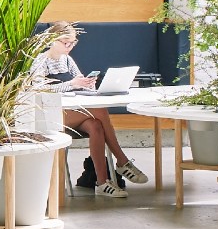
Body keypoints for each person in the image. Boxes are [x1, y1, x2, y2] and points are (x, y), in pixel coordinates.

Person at [32, 21, 147, 198]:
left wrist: (87, 85)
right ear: (52, 39)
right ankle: (122, 161)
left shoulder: (67, 61)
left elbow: (79, 86)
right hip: (51, 115)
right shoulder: (41, 61)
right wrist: (71, 84)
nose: (69, 47)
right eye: (65, 42)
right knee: (99, 110)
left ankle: (102, 183)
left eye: (73, 43)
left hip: (71, 112)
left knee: (95, 125)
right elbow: (39, 91)